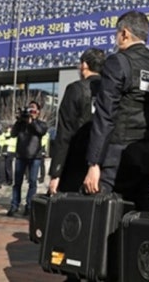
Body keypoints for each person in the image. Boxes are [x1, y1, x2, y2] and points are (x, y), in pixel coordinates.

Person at [83, 12, 149, 212]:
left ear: (124, 34)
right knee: (139, 225)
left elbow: (105, 114)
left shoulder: (118, 62)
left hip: (117, 161)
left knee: (103, 223)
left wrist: (94, 163)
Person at [49, 48, 105, 194]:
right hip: (103, 164)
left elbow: (64, 133)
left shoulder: (76, 89)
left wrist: (56, 173)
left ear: (84, 65)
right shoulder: (111, 90)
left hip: (76, 162)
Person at [8, 101, 47, 217]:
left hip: (35, 157)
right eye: (29, 109)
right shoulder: (21, 124)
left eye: (33, 109)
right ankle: (14, 205)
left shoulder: (41, 123)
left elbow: (40, 131)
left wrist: (32, 122)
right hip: (21, 156)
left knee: (32, 182)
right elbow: (13, 134)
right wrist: (19, 121)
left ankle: (29, 206)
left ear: (38, 112)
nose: (31, 111)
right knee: (17, 183)